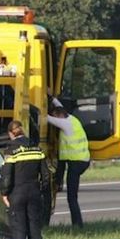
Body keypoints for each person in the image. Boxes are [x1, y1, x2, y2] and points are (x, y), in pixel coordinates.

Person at [0, 120, 51, 239]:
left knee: (18, 225)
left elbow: (7, 176)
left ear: (11, 134)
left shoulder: (11, 151)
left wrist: (4, 193)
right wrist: (42, 191)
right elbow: (46, 175)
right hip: (34, 191)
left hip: (17, 192)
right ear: (23, 131)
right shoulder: (37, 149)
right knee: (34, 223)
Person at [46, 96, 90, 229]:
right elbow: (60, 107)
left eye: (56, 116)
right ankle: (59, 182)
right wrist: (52, 97)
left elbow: (47, 118)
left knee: (72, 197)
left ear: (60, 116)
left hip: (76, 163)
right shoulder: (70, 118)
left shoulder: (65, 124)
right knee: (63, 171)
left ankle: (78, 224)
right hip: (82, 160)